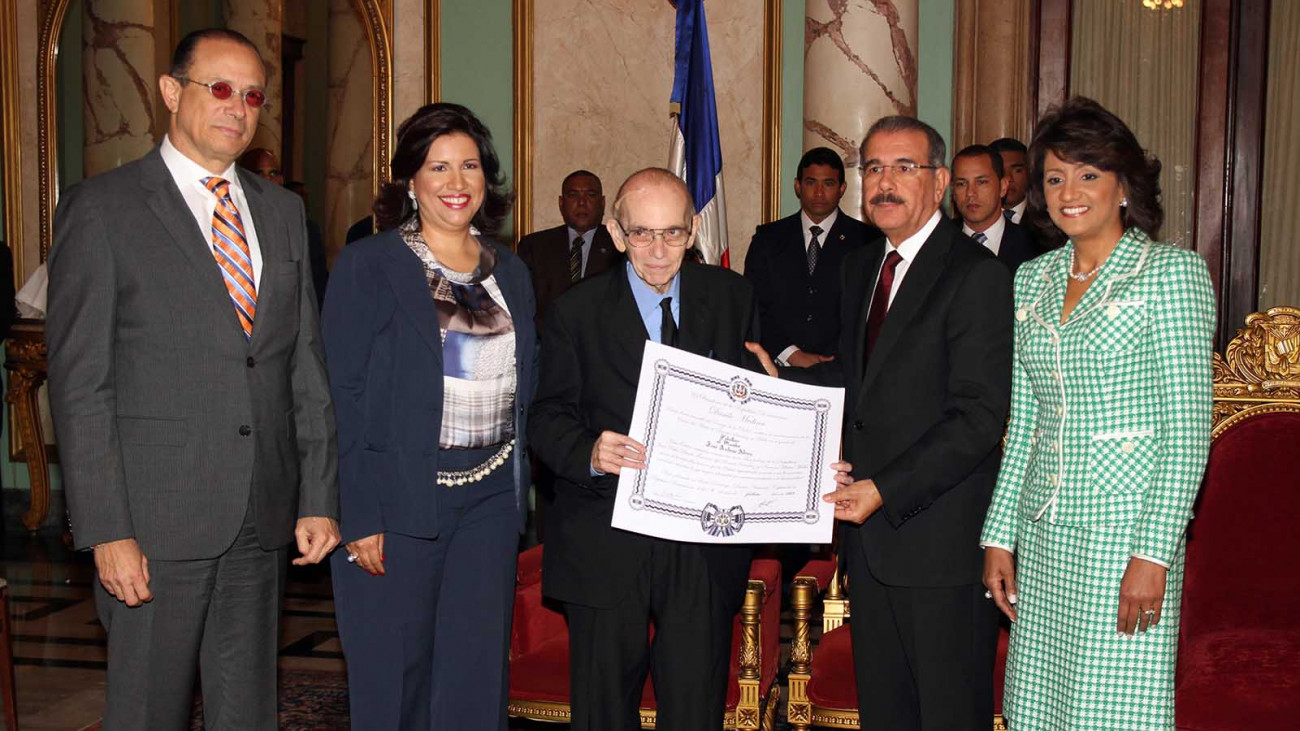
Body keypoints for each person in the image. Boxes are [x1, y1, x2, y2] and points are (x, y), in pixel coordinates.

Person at [46, 28, 339, 730]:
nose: (237, 107)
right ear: (171, 92)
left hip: (259, 514)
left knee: (247, 711)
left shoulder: (282, 211)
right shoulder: (104, 209)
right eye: (219, 88)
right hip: (153, 523)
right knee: (149, 711)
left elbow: (302, 360)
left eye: (252, 95)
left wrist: (318, 494)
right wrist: (106, 528)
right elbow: (81, 383)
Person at [530, 168, 845, 731]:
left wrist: (798, 439)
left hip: (702, 544)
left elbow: (754, 408)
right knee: (602, 712)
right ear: (617, 231)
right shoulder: (574, 311)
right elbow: (545, 418)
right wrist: (588, 450)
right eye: (642, 234)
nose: (657, 250)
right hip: (605, 540)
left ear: (693, 229)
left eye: (672, 234)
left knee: (696, 707)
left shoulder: (731, 297)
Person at [750, 116, 1013, 730]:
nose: (885, 183)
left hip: (939, 542)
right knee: (886, 712)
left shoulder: (976, 276)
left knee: (947, 713)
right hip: (870, 547)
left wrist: (885, 487)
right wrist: (781, 383)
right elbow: (857, 383)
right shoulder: (862, 267)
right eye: (873, 168)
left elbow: (978, 415)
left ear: (940, 181)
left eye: (904, 168)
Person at [980, 97, 1216, 731]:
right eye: (1054, 177)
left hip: (1124, 535)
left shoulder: (1170, 273)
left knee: (1116, 709)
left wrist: (1154, 555)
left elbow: (1187, 431)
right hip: (1046, 531)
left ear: (1122, 184)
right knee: (1038, 704)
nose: (1069, 191)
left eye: (1088, 173)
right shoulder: (1031, 278)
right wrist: (999, 534)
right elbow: (1025, 421)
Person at [323, 102, 536, 731]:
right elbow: (343, 393)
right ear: (409, 181)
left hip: (492, 504)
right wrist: (359, 514)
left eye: (469, 165)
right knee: (395, 683)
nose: (456, 182)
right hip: (398, 503)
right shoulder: (370, 264)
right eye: (437, 166)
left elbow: (532, 386)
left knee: (474, 683)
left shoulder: (513, 272)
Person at [744, 147, 881, 368]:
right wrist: (790, 354)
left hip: (843, 370)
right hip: (777, 366)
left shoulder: (868, 241)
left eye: (828, 183)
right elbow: (754, 306)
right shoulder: (768, 239)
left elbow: (870, 313)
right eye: (810, 183)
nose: (819, 192)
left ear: (842, 188)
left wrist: (835, 360)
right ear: (798, 186)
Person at [516, 169, 620, 332]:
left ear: (602, 202)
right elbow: (522, 308)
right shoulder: (534, 247)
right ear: (561, 203)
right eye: (573, 195)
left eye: (590, 195)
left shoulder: (619, 245)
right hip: (548, 348)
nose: (582, 202)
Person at [951, 144, 1038, 272]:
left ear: (1003, 187)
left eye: (981, 182)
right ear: (953, 190)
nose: (970, 192)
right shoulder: (938, 242)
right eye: (962, 184)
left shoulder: (1034, 245)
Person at [990, 137, 1030, 224]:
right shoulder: (968, 225)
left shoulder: (1047, 222)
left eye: (1017, 171)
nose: (1009, 178)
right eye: (1001, 170)